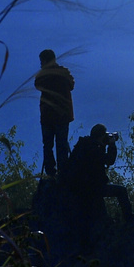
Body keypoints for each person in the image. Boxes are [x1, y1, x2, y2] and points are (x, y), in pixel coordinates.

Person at [65, 123, 134, 222]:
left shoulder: (84, 145)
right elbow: (110, 160)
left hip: (80, 187)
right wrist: (112, 144)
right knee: (121, 191)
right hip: (91, 188)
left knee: (101, 218)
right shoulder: (93, 149)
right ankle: (130, 220)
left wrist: (102, 145)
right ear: (101, 136)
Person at [34, 49, 75, 177]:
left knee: (48, 145)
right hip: (63, 116)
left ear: (46, 61)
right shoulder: (64, 73)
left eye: (42, 62)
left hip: (48, 117)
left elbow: (37, 84)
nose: (40, 65)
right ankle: (63, 170)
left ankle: (50, 171)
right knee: (61, 144)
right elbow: (71, 84)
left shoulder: (44, 75)